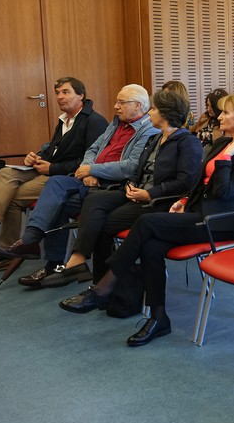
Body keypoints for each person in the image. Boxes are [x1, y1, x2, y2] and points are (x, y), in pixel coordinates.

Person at [58, 94, 234, 347]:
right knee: (151, 247)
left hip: (219, 223)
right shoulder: (223, 142)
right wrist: (184, 199)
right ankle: (158, 318)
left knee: (147, 222)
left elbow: (225, 191)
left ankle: (103, 288)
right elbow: (200, 182)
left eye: (226, 113)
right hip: (196, 214)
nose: (220, 116)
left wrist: (226, 159)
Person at [0, 85, 158, 285]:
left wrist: (93, 170)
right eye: (117, 101)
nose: (115, 106)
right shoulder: (116, 123)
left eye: (121, 102)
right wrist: (88, 169)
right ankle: (33, 241)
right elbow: (93, 149)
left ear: (138, 105)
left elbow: (130, 167)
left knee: (59, 203)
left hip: (111, 186)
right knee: (56, 184)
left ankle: (51, 263)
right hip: (88, 179)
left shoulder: (148, 131)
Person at [37, 90, 202, 289]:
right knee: (95, 199)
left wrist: (149, 193)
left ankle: (100, 284)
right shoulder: (156, 139)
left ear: (166, 113)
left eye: (154, 109)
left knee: (103, 224)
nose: (149, 112)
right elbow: (137, 170)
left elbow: (186, 182)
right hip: (136, 193)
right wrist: (131, 184)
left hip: (159, 200)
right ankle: (80, 263)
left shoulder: (188, 142)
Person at [0, 77, 108, 275]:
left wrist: (52, 168)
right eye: (57, 93)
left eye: (66, 92)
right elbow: (56, 149)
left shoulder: (95, 122)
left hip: (65, 177)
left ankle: (5, 253)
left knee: (11, 198)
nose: (59, 97)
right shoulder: (65, 119)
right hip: (48, 169)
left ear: (81, 95)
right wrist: (36, 157)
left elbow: (90, 161)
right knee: (5, 172)